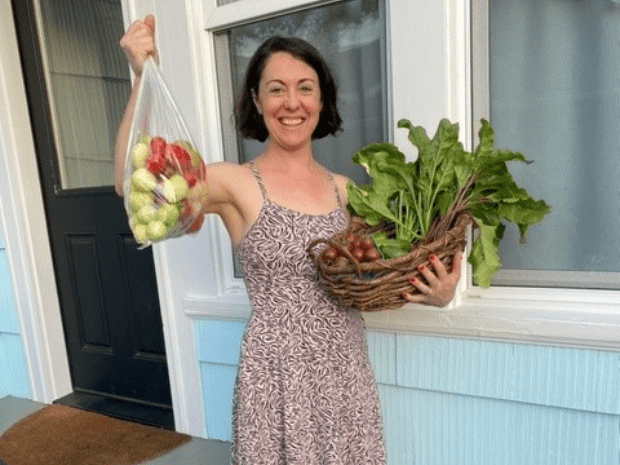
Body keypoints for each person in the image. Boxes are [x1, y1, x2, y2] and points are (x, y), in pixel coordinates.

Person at [115, 15, 462, 464]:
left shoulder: (348, 192)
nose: (291, 102)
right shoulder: (236, 183)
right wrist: (142, 77)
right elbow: (132, 184)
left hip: (344, 375)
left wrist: (432, 294)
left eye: (305, 87)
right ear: (257, 101)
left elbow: (371, 280)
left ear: (321, 101)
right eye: (276, 88)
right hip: (275, 379)